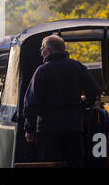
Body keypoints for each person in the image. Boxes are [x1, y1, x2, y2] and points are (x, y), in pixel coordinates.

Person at [23, 35, 101, 167]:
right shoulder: (77, 67)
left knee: (49, 164)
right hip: (73, 127)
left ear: (48, 50)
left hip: (48, 130)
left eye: (42, 49)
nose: (41, 53)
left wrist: (29, 128)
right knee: (76, 163)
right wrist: (82, 105)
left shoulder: (41, 71)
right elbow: (94, 91)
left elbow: (31, 103)